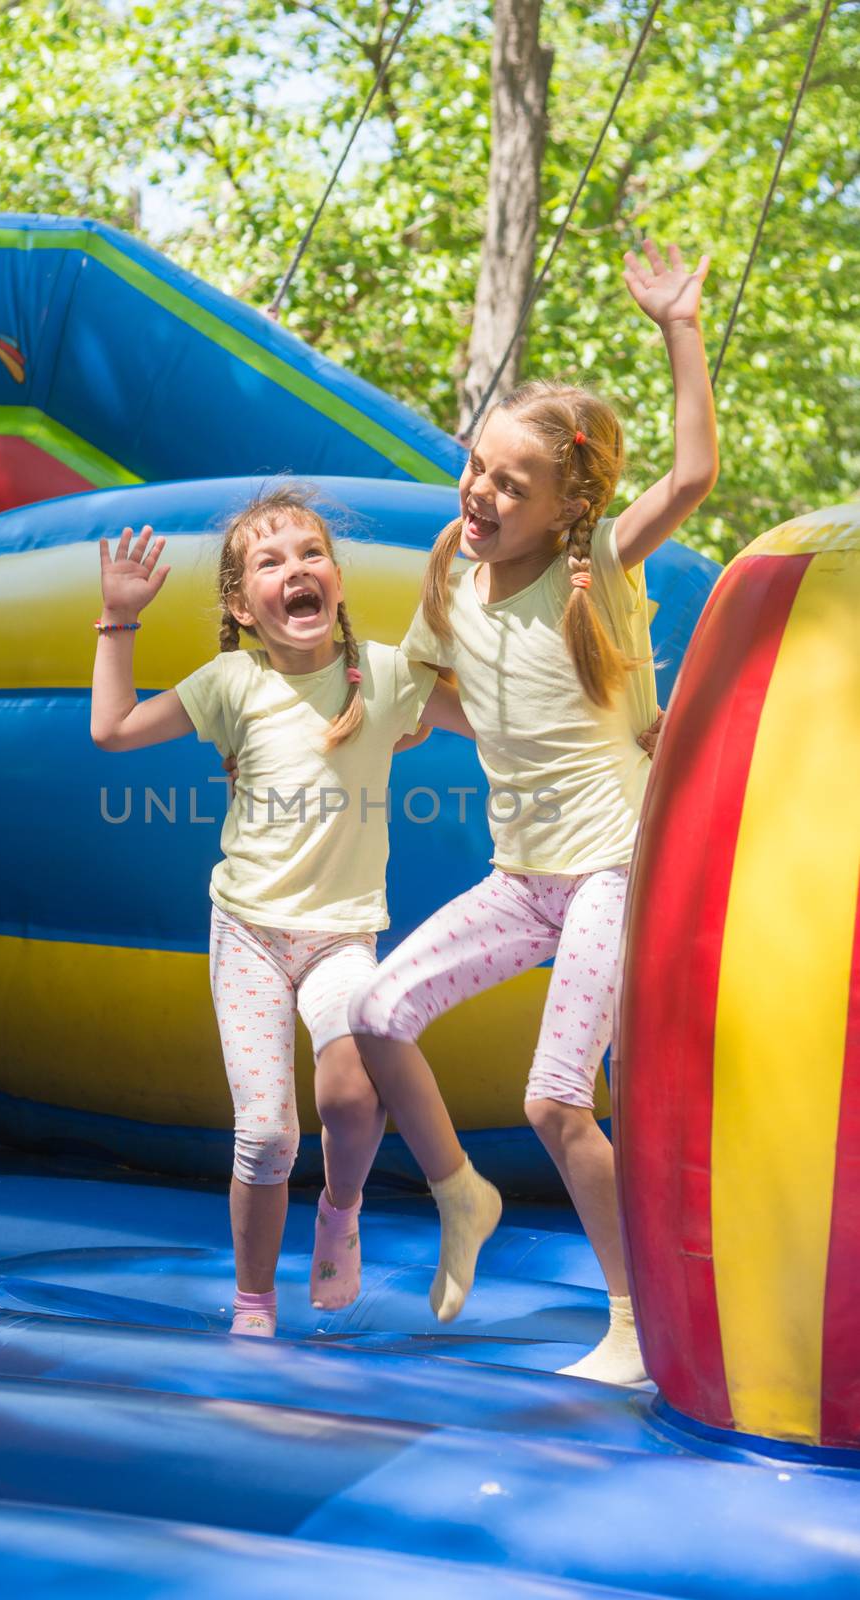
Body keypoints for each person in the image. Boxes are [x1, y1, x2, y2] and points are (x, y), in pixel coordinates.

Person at [348, 240, 718, 1384]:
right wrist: (390, 717)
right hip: (524, 878)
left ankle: (630, 1325)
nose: (481, 493)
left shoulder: (594, 565)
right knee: (374, 1008)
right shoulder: (448, 571)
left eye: (512, 484)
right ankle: (462, 1192)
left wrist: (677, 328)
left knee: (557, 1100)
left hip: (615, 867)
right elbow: (448, 705)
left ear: (566, 507)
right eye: (476, 468)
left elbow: (693, 477)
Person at [90, 486, 474, 1336]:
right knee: (265, 1136)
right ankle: (254, 1303)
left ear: (334, 580)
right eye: (270, 562)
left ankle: (339, 1209)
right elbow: (112, 730)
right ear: (242, 605)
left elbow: (488, 722)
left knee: (350, 1097)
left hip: (342, 936)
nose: (294, 570)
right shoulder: (232, 681)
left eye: (309, 555)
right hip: (252, 936)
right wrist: (118, 620)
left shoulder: (382, 674)